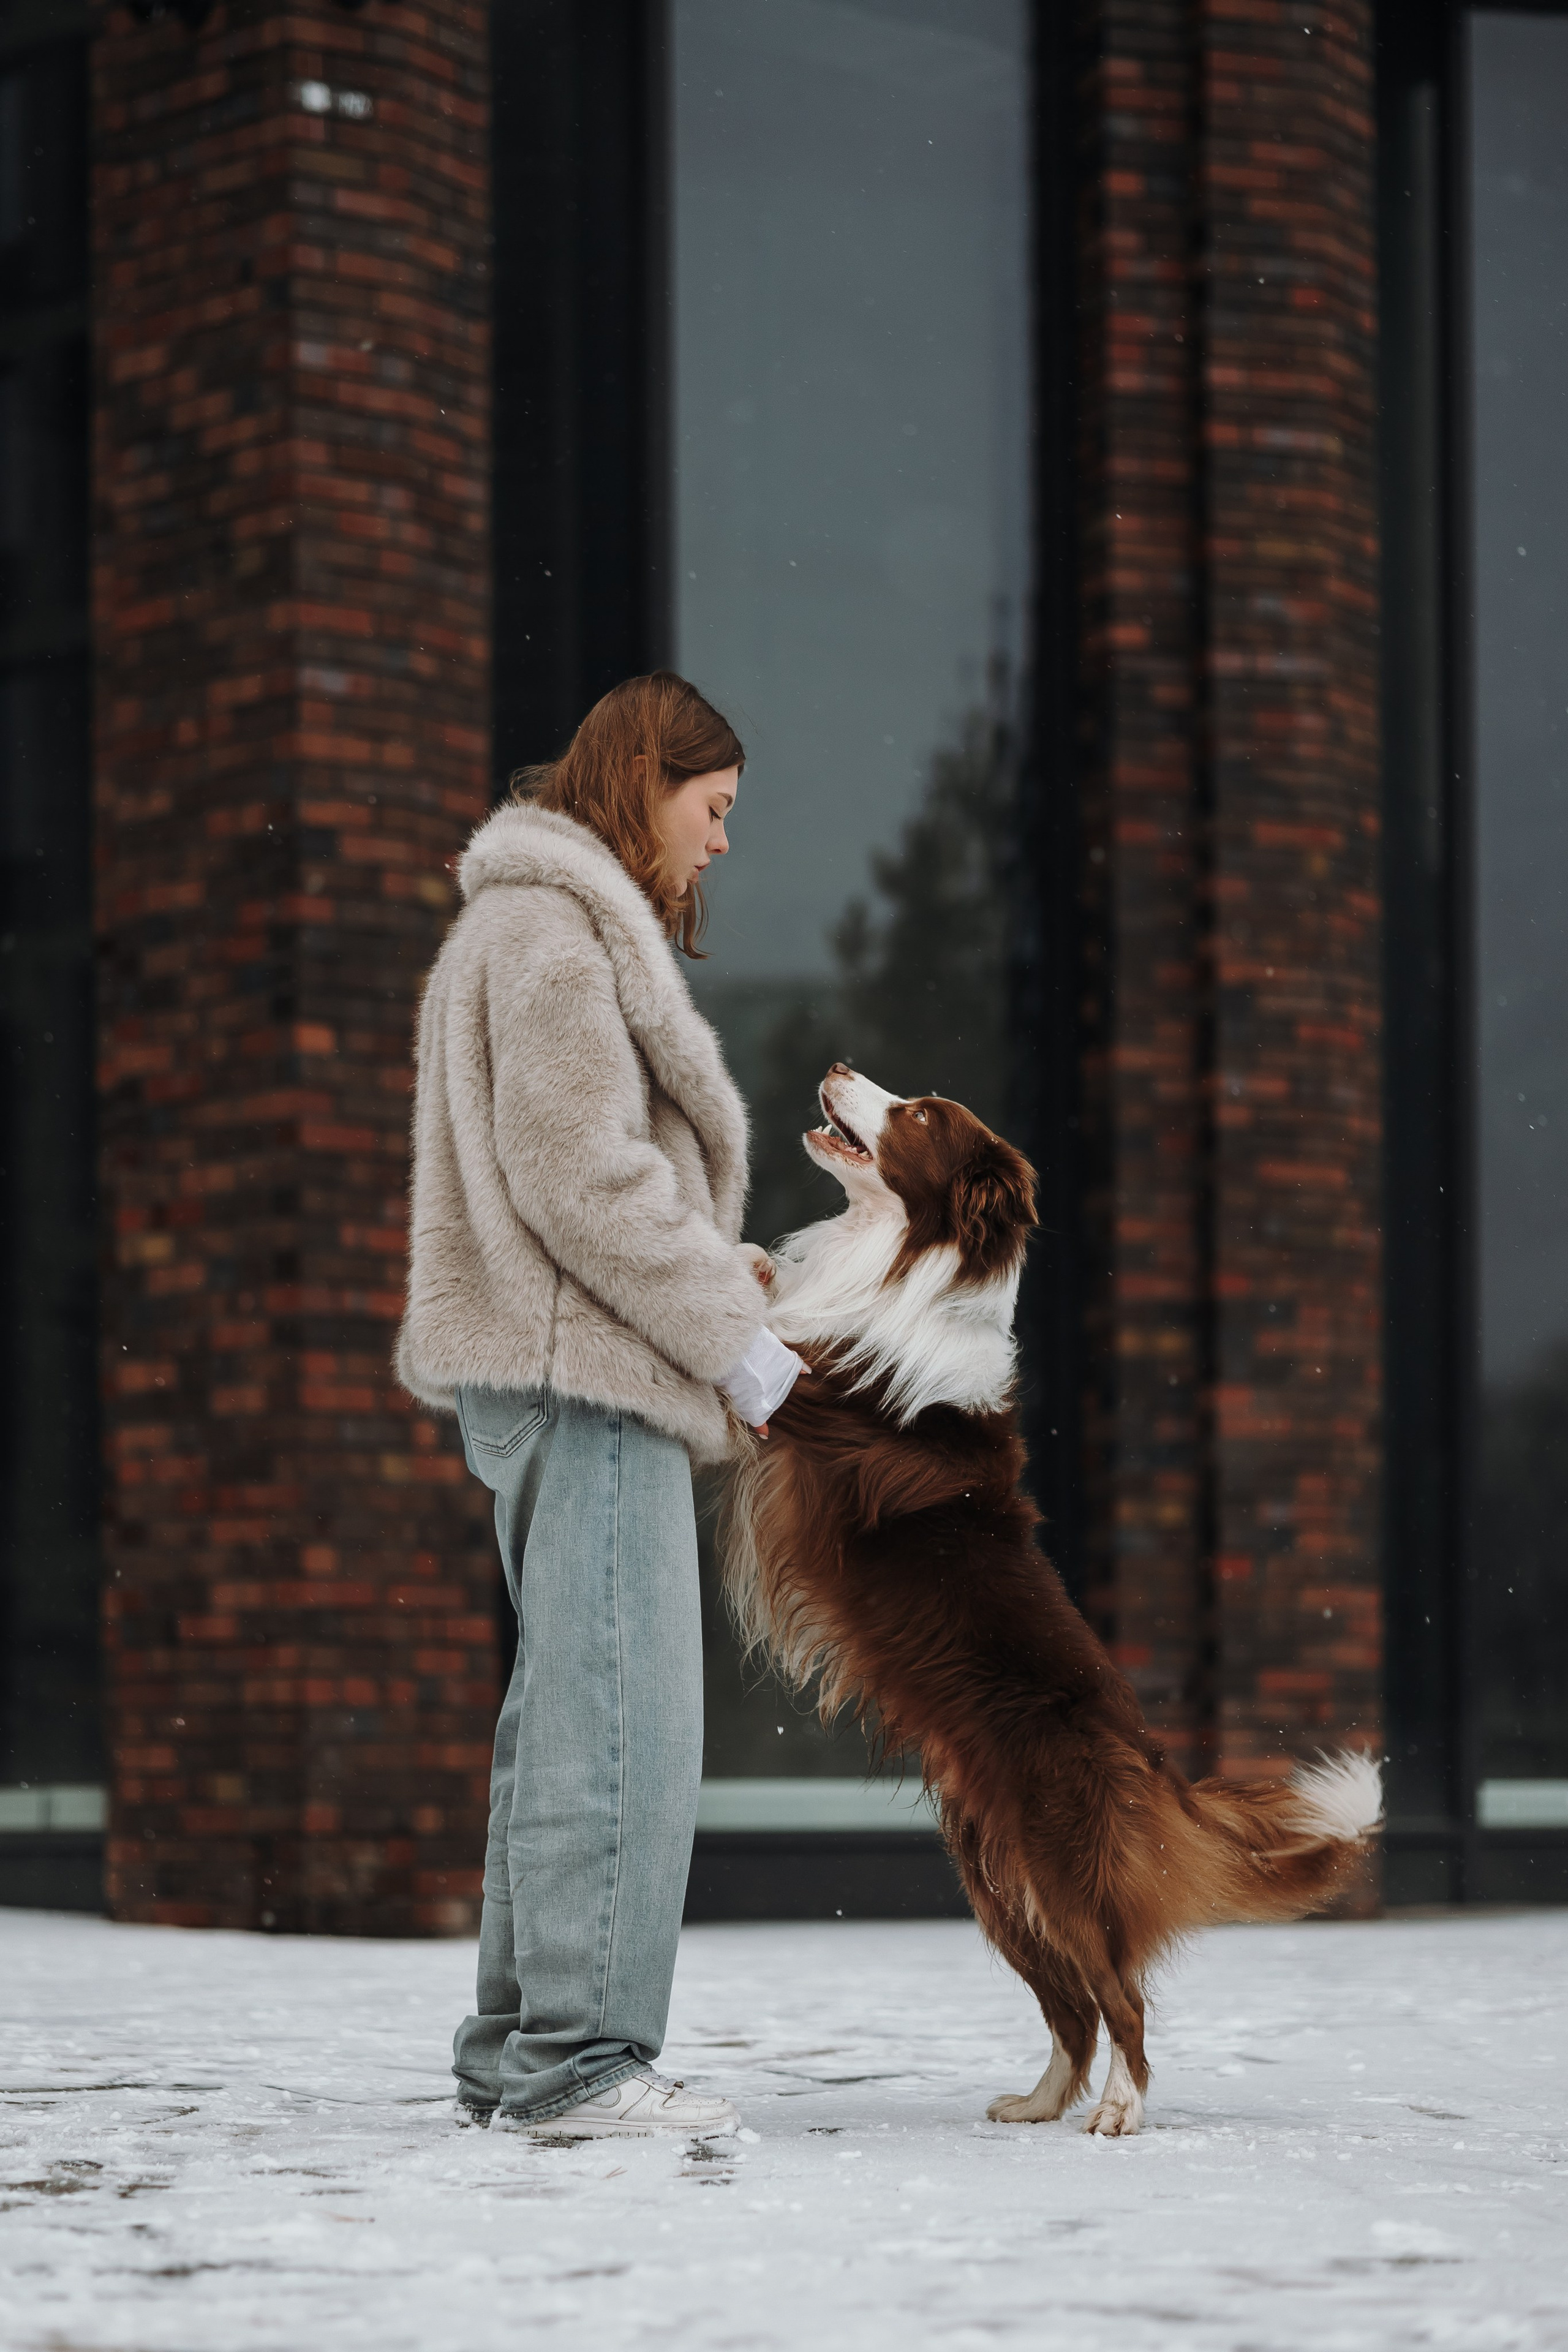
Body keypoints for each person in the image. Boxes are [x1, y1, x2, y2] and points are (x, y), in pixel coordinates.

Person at [397, 671, 803, 2140]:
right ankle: (579, 2064)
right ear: (649, 779)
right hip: (589, 1376)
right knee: (619, 1718)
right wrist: (738, 1345)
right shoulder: (553, 926)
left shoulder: (516, 921)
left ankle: (516, 2049)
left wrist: (720, 1275)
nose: (717, 845)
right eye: (714, 810)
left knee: (563, 1713)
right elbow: (581, 1181)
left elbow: (574, 1178)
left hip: (551, 1365)